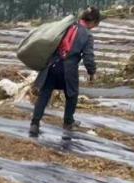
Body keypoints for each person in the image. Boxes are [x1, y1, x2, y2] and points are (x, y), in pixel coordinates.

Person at [29, 7, 101, 138]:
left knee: (44, 94)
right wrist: (92, 72)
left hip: (52, 65)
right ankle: (68, 122)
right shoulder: (87, 35)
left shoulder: (67, 26)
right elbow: (88, 57)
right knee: (72, 95)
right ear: (93, 22)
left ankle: (35, 123)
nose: (93, 28)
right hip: (68, 69)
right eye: (95, 25)